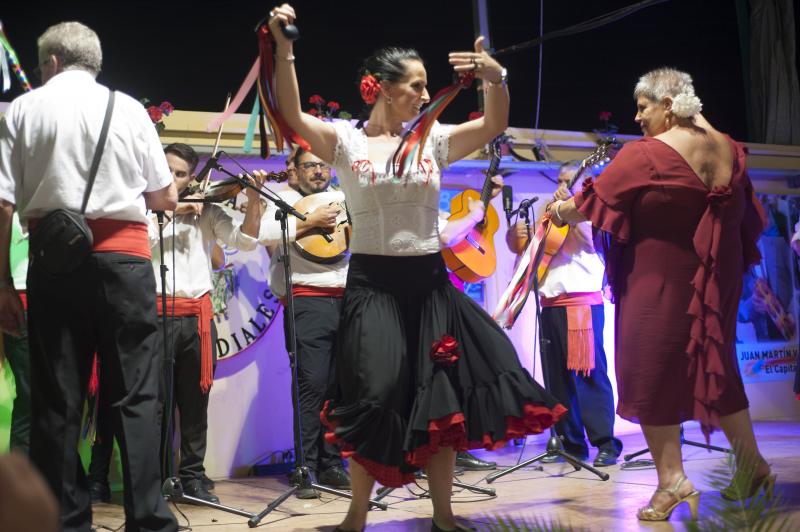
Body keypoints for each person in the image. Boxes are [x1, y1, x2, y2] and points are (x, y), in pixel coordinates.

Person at [268, 5, 566, 531]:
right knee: (372, 395)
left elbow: (495, 122)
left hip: (430, 287)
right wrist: (284, 47)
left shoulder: (435, 140)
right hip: (371, 288)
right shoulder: (346, 142)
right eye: (416, 85)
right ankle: (357, 514)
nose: (426, 96)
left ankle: (444, 515)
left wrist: (495, 78)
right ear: (382, 88)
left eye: (429, 85)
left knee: (440, 400)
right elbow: (291, 113)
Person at [549, 67, 771, 521]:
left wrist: (559, 210)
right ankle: (753, 466)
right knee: (718, 368)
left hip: (660, 283)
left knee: (649, 369)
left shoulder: (647, 155)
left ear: (668, 104)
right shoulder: (728, 146)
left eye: (643, 107)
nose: (637, 117)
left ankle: (672, 481)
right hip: (713, 283)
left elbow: (586, 204)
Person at [0, 21, 177, 532]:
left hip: (55, 266)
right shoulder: (129, 110)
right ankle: (148, 519)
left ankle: (67, 521)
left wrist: (1, 284)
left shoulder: (26, 109)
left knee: (58, 399)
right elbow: (164, 197)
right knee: (137, 396)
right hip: (125, 262)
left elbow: (3, 203)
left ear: (51, 62)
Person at [87, 143, 265, 505]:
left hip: (195, 319)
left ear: (192, 178)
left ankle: (193, 478)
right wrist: (167, 211)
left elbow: (244, 241)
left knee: (195, 404)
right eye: (165, 170)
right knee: (150, 405)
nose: (171, 179)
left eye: (180, 174)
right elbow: (138, 244)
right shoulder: (139, 209)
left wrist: (255, 200)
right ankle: (149, 480)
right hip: (150, 317)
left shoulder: (208, 211)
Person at [506, 161, 622, 467]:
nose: (561, 184)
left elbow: (591, 242)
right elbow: (521, 248)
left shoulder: (594, 213)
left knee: (589, 376)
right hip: (550, 305)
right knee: (557, 381)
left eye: (569, 180)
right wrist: (513, 232)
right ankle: (572, 443)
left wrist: (570, 207)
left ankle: (605, 442)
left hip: (581, 304)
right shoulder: (548, 211)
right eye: (559, 179)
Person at [258, 146, 351, 498]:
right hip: (305, 301)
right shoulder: (281, 200)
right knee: (310, 386)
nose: (319, 171)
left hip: (345, 300)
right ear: (294, 170)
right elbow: (263, 235)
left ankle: (332, 463)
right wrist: (310, 222)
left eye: (324, 165)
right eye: (310, 165)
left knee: (338, 388)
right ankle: (306, 467)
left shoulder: (341, 198)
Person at [2, 213, 31, 454]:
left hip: (51, 307)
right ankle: (20, 477)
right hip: (17, 309)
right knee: (29, 393)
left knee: (43, 394)